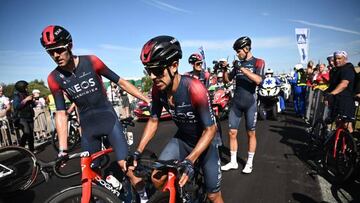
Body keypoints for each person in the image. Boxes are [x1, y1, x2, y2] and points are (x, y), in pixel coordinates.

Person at [41, 25, 150, 202]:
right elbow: (61, 113)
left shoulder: (91, 61)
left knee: (125, 166)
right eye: (50, 52)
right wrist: (62, 150)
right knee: (90, 173)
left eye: (59, 50)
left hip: (108, 120)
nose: (56, 56)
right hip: (88, 128)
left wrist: (147, 100)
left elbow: (121, 81)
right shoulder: (54, 78)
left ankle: (144, 196)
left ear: (70, 45)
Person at [133, 35, 224, 203]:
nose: (152, 77)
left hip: (205, 142)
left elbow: (210, 129)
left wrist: (190, 160)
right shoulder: (157, 89)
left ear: (174, 66)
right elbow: (153, 120)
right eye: (148, 70)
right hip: (182, 139)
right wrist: (138, 151)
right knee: (157, 177)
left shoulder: (195, 89)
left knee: (213, 196)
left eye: (158, 70)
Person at [221, 36, 264, 174]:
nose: (237, 54)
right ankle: (233, 162)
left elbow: (258, 80)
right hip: (236, 103)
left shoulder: (258, 62)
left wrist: (243, 69)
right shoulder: (237, 63)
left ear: (246, 49)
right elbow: (227, 80)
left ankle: (249, 163)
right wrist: (224, 69)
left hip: (250, 102)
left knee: (251, 133)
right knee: (232, 132)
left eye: (238, 51)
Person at [325, 51, 356, 133]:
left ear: (345, 59)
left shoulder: (348, 69)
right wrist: (327, 94)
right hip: (336, 100)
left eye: (339, 58)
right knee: (337, 122)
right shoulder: (334, 70)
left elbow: (344, 84)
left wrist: (331, 94)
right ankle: (337, 143)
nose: (337, 61)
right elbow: (332, 85)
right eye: (335, 59)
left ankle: (348, 144)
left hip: (346, 100)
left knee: (347, 124)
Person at [12, 80, 36, 152]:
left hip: (29, 116)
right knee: (27, 133)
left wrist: (33, 100)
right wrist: (25, 100)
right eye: (25, 87)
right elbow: (17, 106)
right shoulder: (17, 96)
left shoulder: (26, 94)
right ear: (21, 87)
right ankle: (21, 147)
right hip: (22, 117)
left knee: (31, 134)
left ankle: (31, 150)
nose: (27, 88)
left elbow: (32, 105)